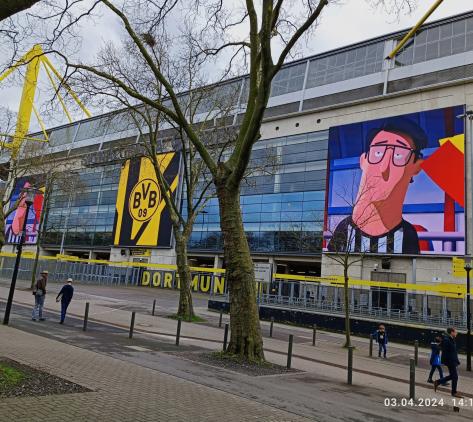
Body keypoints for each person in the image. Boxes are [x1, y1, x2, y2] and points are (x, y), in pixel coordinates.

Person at [328, 117, 427, 254]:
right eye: (378, 152)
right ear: (364, 161)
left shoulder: (407, 234)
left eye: (398, 155)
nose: (383, 167)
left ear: (416, 167)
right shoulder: (344, 228)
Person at [434, 327, 462, 397]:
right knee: (455, 376)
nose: (456, 333)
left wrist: (456, 361)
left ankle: (438, 382)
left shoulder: (451, 339)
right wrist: (446, 361)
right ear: (451, 332)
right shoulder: (447, 340)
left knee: (453, 376)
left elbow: (453, 352)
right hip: (450, 361)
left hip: (453, 361)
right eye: (455, 332)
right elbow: (445, 352)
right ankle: (454, 392)